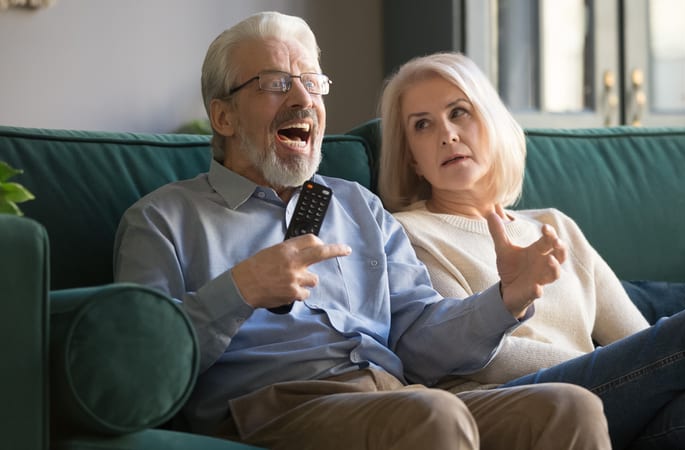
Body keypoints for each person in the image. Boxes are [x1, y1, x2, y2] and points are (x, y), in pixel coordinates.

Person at [113, 11, 612, 450]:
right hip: (272, 411)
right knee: (433, 416)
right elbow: (135, 371)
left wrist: (505, 297)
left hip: (396, 397)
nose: (303, 98)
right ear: (222, 115)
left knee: (571, 408)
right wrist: (240, 290)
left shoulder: (357, 204)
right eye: (275, 83)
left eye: (312, 81)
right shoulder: (161, 220)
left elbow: (418, 336)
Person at [378, 50, 685, 450]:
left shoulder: (553, 226)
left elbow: (637, 339)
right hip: (507, 403)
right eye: (423, 125)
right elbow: (467, 359)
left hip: (604, 397)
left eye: (458, 113)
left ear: (490, 122)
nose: (447, 134)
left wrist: (627, 369)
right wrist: (606, 364)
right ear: (413, 159)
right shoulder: (411, 233)